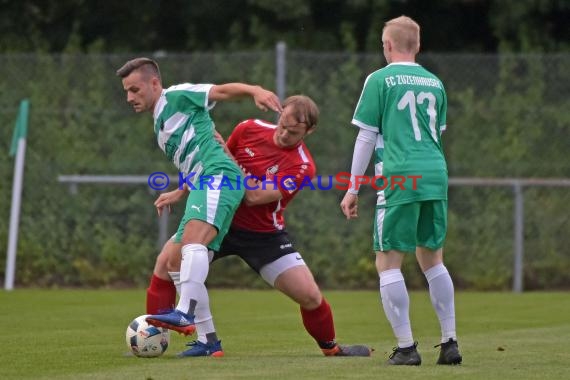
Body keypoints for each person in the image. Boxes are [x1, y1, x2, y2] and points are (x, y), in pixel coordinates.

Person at [149, 95, 372, 358]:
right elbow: (211, 165)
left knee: (310, 295)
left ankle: (331, 348)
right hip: (222, 216)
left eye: (293, 132)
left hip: (263, 235)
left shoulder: (302, 165)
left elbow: (254, 196)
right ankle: (163, 340)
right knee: (166, 261)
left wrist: (230, 158)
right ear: (279, 114)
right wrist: (181, 190)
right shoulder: (248, 128)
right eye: (282, 125)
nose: (284, 134)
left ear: (309, 131)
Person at [117, 57, 282, 357]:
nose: (129, 97)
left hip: (219, 175)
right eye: (127, 91)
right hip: (203, 181)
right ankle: (209, 342)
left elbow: (220, 92)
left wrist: (254, 90)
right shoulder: (160, 120)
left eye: (135, 89)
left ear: (154, 83)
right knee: (173, 259)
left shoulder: (177, 95)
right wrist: (180, 191)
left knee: (192, 244)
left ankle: (184, 313)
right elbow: (194, 152)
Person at [340, 16, 462, 366]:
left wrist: (352, 188)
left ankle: (407, 347)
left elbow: (365, 135)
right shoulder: (435, 82)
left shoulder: (379, 79)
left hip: (399, 175)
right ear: (418, 45)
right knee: (432, 257)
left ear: (388, 45)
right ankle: (450, 341)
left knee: (388, 261)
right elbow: (437, 133)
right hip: (435, 173)